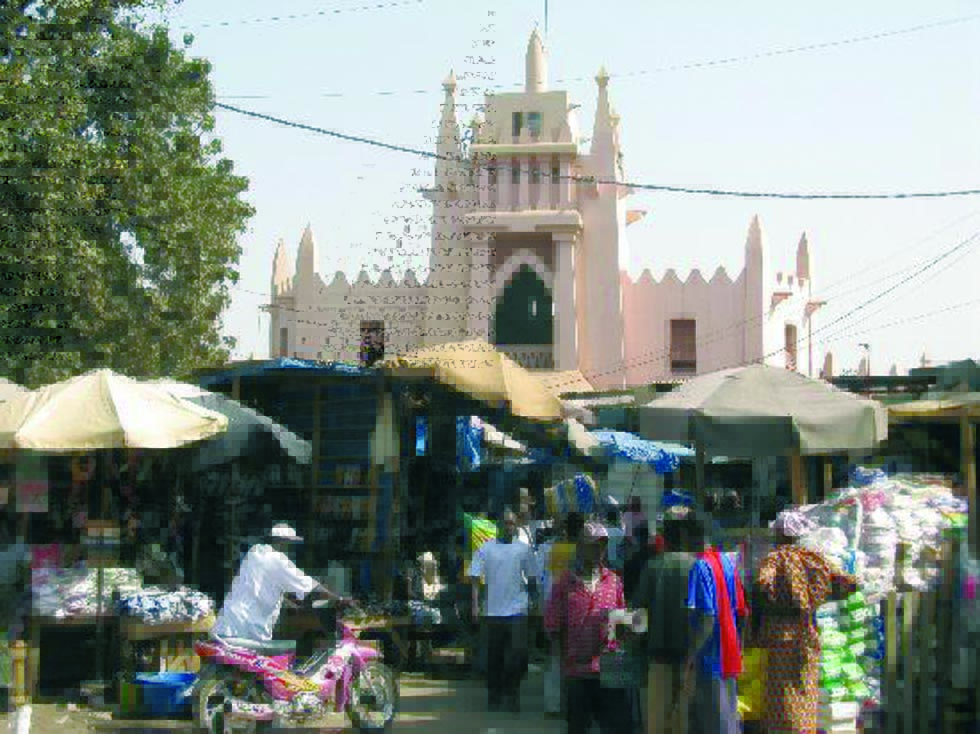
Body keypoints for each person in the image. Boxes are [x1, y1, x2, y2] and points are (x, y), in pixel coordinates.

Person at [754, 512, 857, 734]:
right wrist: (818, 597)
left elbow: (762, 583)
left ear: (780, 533)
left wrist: (775, 604)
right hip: (807, 631)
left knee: (782, 694)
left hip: (781, 634)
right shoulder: (815, 559)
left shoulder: (775, 559)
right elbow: (849, 583)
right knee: (805, 688)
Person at [545, 522, 632, 734]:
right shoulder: (564, 583)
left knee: (614, 727)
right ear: (580, 547)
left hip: (609, 669)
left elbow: (623, 624)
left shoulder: (614, 581)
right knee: (578, 727)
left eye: (602, 546)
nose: (598, 551)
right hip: (577, 670)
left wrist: (630, 625)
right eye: (593, 545)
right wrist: (561, 670)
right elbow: (553, 627)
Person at [212, 523, 343, 644]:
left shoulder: (255, 552)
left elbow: (263, 586)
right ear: (282, 541)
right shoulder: (278, 559)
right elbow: (312, 588)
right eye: (290, 544)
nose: (291, 549)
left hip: (227, 623)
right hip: (247, 629)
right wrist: (340, 599)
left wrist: (290, 604)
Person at [633, 509, 699, 734]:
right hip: (689, 656)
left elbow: (639, 615)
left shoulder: (652, 567)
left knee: (657, 720)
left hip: (657, 654)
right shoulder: (698, 566)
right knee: (682, 719)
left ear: (665, 537)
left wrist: (637, 647)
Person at [684, 511, 749, 734]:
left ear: (688, 536)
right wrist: (738, 646)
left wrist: (690, 655)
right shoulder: (727, 563)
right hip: (730, 653)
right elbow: (742, 611)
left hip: (709, 656)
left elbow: (706, 616)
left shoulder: (699, 566)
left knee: (714, 722)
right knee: (730, 719)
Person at [469, 507, 537, 713]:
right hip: (493, 612)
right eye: (505, 523)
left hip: (517, 610)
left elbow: (532, 578)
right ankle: (494, 695)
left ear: (516, 526)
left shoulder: (523, 550)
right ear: (498, 526)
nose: (509, 527)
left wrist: (536, 602)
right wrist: (475, 604)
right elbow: (474, 578)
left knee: (518, 654)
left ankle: (512, 692)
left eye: (512, 523)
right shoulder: (486, 549)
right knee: (494, 657)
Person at [542, 512, 585, 716]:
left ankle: (554, 704)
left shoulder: (555, 550)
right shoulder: (584, 552)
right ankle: (575, 703)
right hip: (578, 610)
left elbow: (549, 582)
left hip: (556, 607)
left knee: (555, 656)